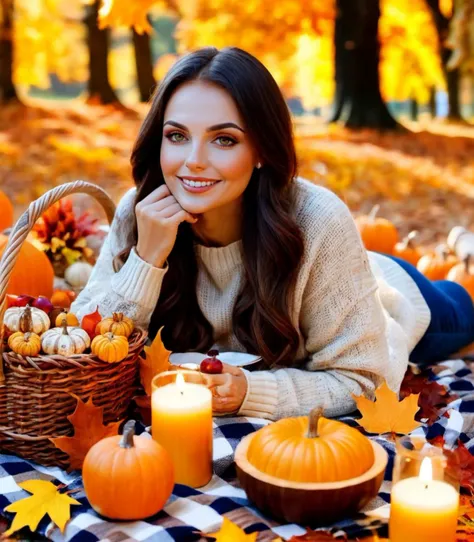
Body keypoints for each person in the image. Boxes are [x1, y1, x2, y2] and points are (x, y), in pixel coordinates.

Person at [71, 46, 474, 421]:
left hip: (391, 299)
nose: (193, 162)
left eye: (224, 139)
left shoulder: (318, 220)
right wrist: (147, 260)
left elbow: (363, 380)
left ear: (262, 149)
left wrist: (249, 392)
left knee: (464, 310)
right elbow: (80, 344)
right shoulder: (141, 210)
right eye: (177, 136)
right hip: (344, 278)